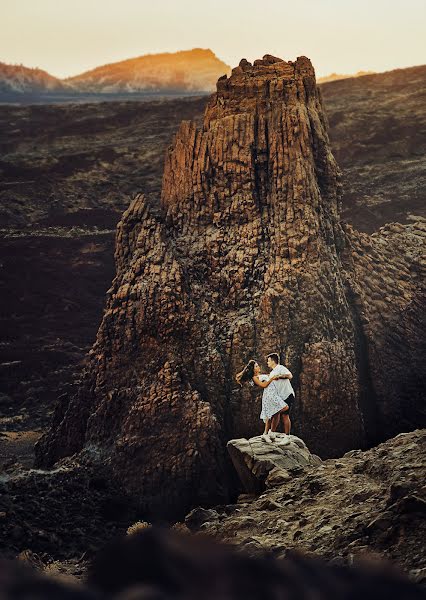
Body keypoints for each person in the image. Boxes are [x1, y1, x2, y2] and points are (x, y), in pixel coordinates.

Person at [235, 359, 290, 442]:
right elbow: (263, 385)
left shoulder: (260, 375)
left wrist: (278, 376)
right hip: (269, 396)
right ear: (253, 369)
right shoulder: (254, 378)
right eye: (256, 366)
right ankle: (266, 434)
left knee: (274, 413)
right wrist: (271, 379)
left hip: (273, 394)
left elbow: (270, 376)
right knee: (283, 408)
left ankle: (268, 433)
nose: (258, 367)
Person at [266, 352, 295, 437]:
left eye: (268, 361)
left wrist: (279, 376)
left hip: (287, 394)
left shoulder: (280, 368)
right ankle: (272, 433)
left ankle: (287, 436)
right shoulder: (272, 372)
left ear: (273, 361)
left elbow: (290, 376)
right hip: (280, 397)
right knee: (275, 414)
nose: (267, 363)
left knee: (285, 416)